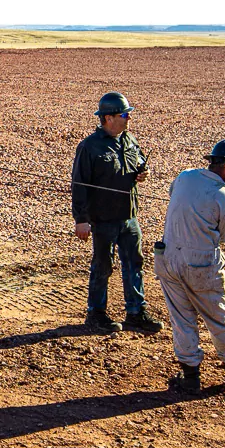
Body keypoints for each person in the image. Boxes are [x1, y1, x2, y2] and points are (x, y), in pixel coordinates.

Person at [159, 139, 225, 392]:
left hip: (168, 257)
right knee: (217, 316)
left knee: (181, 318)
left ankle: (191, 376)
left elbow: (175, 196)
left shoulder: (184, 177)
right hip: (201, 263)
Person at [70, 92, 163, 334]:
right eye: (124, 114)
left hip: (129, 217)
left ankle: (136, 312)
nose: (128, 118)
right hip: (103, 219)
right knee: (103, 265)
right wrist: (81, 220)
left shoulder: (129, 140)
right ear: (108, 118)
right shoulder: (89, 147)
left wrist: (145, 173)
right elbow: (79, 185)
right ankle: (96, 314)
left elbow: (140, 162)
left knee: (134, 264)